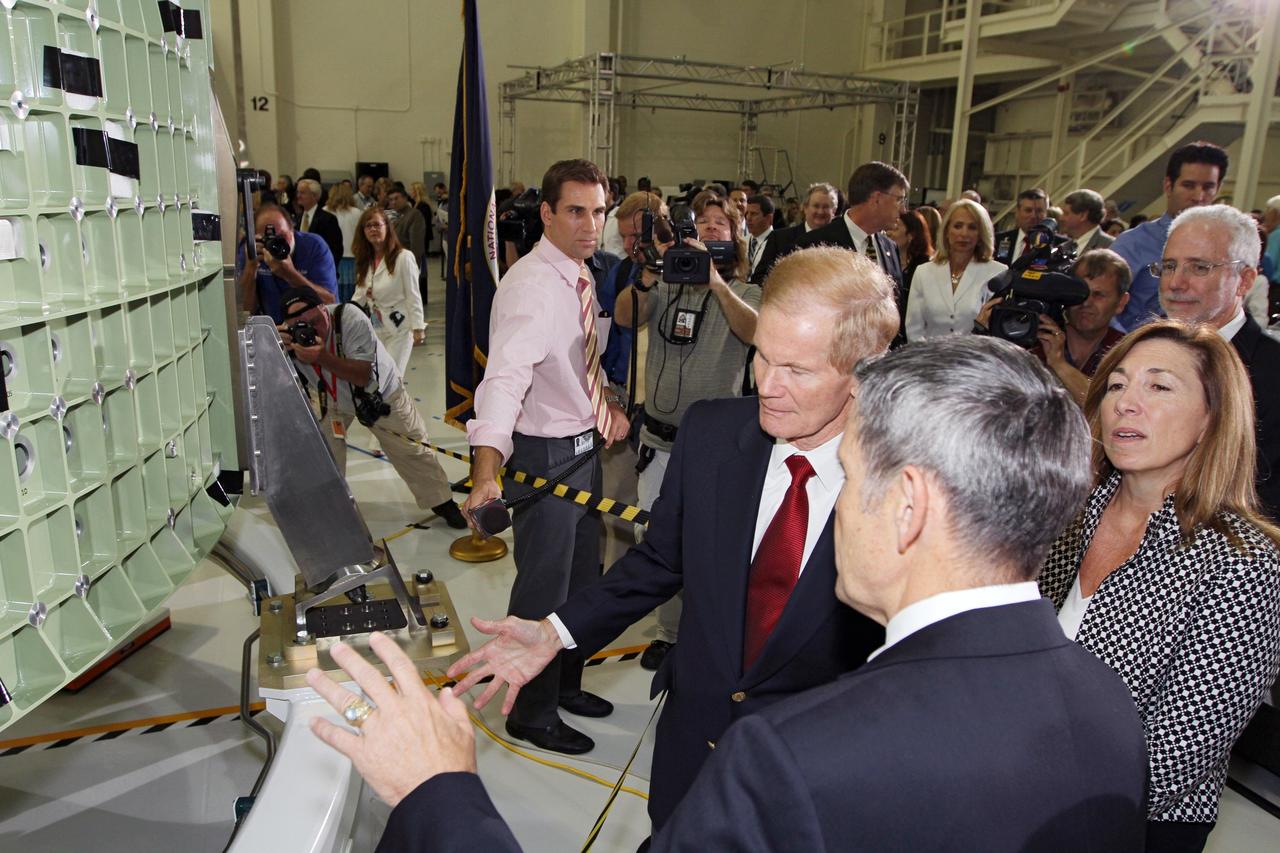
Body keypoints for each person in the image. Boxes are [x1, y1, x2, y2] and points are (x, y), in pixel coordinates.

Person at [307, 334, 1149, 853]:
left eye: (851, 482)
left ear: (910, 505)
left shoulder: (799, 763)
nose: (835, 506)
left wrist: (437, 787)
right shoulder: (1110, 715)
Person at [451, 246, 893, 832]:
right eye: (762, 356)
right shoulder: (712, 433)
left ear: (865, 374)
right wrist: (554, 633)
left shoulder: (905, 486)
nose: (767, 385)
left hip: (811, 774)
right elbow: (660, 560)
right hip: (692, 743)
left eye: (798, 370)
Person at [1039, 320, 1280, 851]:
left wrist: (1041, 805)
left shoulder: (1241, 560)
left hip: (1135, 824)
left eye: (1159, 386)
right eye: (1118, 384)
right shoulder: (1069, 511)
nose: (1127, 402)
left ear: (1212, 418)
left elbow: (1178, 752)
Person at [462, 159, 630, 757]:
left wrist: (603, 404)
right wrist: (485, 473)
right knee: (543, 589)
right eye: (576, 211)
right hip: (544, 456)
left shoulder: (581, 275)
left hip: (584, 446)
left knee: (585, 577)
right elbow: (504, 381)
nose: (591, 225)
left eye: (599, 212)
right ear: (547, 215)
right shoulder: (534, 286)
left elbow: (581, 361)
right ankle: (530, 711)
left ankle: (563, 683)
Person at [612, 189, 761, 671]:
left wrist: (716, 281)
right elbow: (622, 316)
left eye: (722, 223)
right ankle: (669, 632)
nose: (712, 228)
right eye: (704, 221)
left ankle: (704, 631)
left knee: (711, 546)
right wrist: (652, 272)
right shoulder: (667, 281)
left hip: (717, 448)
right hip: (657, 442)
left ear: (736, 236)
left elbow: (756, 331)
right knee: (655, 541)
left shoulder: (749, 291)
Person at [278, 287, 465, 529]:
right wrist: (275, 349)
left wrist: (320, 356)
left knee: (412, 449)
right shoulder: (284, 340)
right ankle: (329, 509)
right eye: (300, 326)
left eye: (315, 321)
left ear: (324, 310)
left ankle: (442, 501)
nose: (312, 330)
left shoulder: (350, 318)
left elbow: (362, 375)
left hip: (380, 394)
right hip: (330, 399)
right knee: (321, 454)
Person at [1156, 203, 1280, 518]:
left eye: (1198, 267)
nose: (1175, 283)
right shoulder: (1142, 354)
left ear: (1244, 280)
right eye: (1169, 265)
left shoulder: (1272, 372)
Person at [1111, 141, 1228, 332]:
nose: (1198, 197)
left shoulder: (1224, 248)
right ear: (1168, 185)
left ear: (1218, 188)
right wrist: (1126, 346)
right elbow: (1101, 306)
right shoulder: (1133, 244)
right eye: (1188, 186)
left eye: (1208, 187)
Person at [793, 162, 908, 303]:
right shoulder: (815, 244)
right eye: (899, 200)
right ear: (877, 198)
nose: (903, 210)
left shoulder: (890, 247)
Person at [1032, 248, 1130, 406]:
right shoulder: (1036, 338)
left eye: (1098, 295)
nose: (1086, 302)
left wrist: (1059, 364)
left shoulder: (1127, 351)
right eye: (1079, 292)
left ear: (1121, 303)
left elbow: (1110, 408)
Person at [905, 198, 1006, 341]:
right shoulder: (924, 272)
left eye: (972, 227)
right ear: (946, 231)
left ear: (981, 233)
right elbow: (914, 329)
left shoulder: (998, 273)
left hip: (978, 359)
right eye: (958, 226)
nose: (964, 233)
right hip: (930, 359)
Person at [351, 207, 424, 377]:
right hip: (376, 328)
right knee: (378, 378)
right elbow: (359, 296)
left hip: (401, 328)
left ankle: (400, 404)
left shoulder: (403, 257)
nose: (373, 229)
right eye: (368, 226)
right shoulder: (365, 260)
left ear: (387, 227)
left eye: (377, 225)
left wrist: (418, 327)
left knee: (392, 378)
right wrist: (343, 315)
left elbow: (413, 294)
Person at [238, 204, 336, 324]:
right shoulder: (250, 252)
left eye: (281, 236)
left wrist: (290, 274)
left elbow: (330, 302)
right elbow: (244, 311)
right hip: (272, 328)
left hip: (311, 327)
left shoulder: (313, 246)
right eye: (267, 238)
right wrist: (250, 268)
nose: (275, 243)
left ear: (292, 229)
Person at [749, 182, 837, 283]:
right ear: (804, 208)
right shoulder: (779, 238)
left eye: (826, 207)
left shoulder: (840, 242)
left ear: (834, 211)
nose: (820, 212)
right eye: (816, 206)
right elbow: (759, 278)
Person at [886, 208, 934, 341]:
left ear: (911, 235)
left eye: (895, 228)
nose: (888, 233)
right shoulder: (887, 261)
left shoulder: (925, 267)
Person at [323, 181, 362, 303]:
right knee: (352, 292)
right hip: (352, 257)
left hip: (331, 258)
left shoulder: (325, 211)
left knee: (334, 290)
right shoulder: (356, 212)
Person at [294, 178, 344, 270]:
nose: (298, 196)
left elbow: (336, 249)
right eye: (298, 192)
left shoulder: (328, 219)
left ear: (315, 196)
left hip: (321, 271)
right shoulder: (297, 218)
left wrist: (327, 270)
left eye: (302, 193)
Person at [993, 187, 1050, 266]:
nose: (1033, 216)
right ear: (1017, 213)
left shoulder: (1057, 245)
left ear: (1046, 214)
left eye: (1039, 211)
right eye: (1028, 210)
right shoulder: (999, 240)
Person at [1059, 189, 1115, 256]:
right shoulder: (1063, 248)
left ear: (1083, 216)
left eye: (1066, 213)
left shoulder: (1111, 247)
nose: (1061, 218)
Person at [743, 193, 774, 280]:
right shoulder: (742, 241)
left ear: (769, 218)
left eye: (754, 214)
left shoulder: (779, 244)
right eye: (747, 213)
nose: (748, 218)